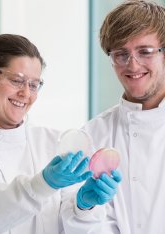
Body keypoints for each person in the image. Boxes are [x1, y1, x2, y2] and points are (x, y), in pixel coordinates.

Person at [0, 33, 121, 234]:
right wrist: (42, 184)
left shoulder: (52, 142)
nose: (26, 93)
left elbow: (77, 229)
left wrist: (84, 207)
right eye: (17, 81)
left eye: (34, 85)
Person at [83, 0, 165, 233]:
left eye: (145, 52)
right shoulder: (93, 134)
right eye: (121, 54)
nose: (133, 65)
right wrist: (83, 208)